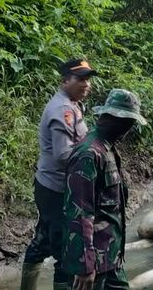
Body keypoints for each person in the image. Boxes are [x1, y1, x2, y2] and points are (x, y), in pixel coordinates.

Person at [21, 59, 98, 290]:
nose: (86, 84)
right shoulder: (62, 109)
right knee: (64, 253)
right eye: (80, 79)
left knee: (43, 240)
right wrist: (93, 157)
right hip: (56, 189)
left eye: (88, 79)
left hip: (49, 185)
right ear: (65, 80)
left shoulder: (71, 104)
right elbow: (63, 155)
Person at [62, 88, 147, 290]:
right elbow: (79, 212)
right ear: (114, 119)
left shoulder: (107, 149)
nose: (130, 128)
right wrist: (85, 265)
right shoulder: (88, 155)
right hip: (92, 264)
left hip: (110, 258)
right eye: (128, 122)